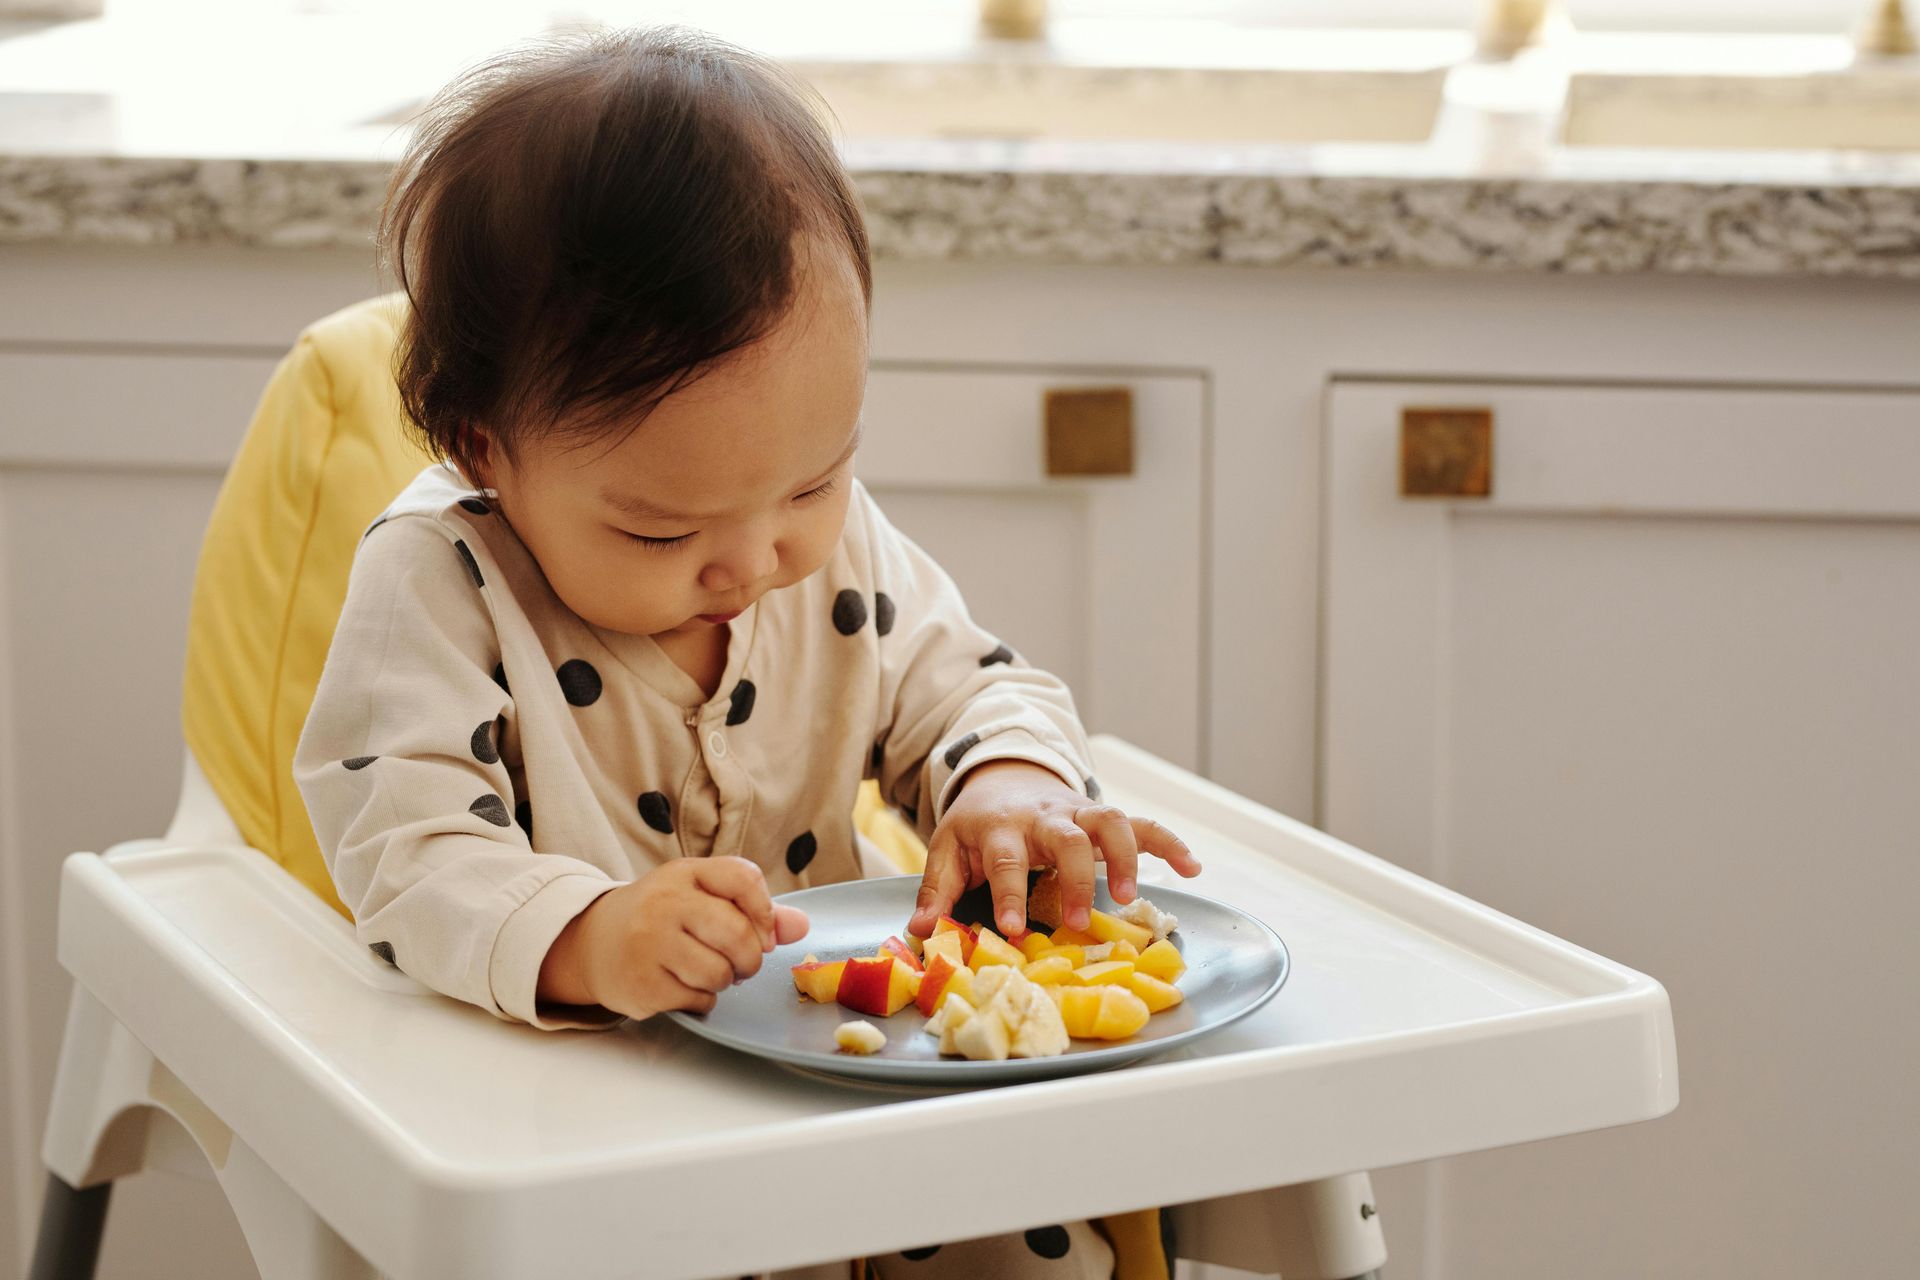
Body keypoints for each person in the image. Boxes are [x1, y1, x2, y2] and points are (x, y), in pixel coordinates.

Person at [293, 26, 1198, 1280]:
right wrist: (590, 936)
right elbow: (404, 848)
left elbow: (962, 682)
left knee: (1035, 1236)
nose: (755, 559)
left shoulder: (825, 543)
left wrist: (1009, 786)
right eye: (663, 526)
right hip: (599, 1127)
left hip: (855, 1079)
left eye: (814, 481)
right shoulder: (438, 581)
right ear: (484, 447)